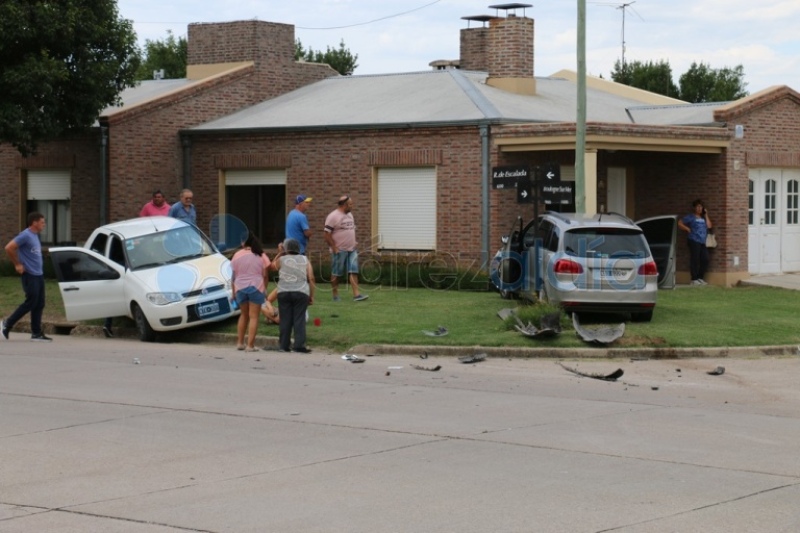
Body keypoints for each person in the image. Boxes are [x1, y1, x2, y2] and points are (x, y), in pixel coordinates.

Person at [2, 212, 52, 342]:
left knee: (39, 303)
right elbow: (9, 248)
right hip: (30, 275)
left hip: (38, 274)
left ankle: (36, 333)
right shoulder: (25, 235)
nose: (44, 224)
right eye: (42, 222)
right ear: (34, 223)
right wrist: (17, 264)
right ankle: (6, 324)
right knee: (31, 302)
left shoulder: (35, 235)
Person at [273, 238, 315, 353]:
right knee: (299, 319)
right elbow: (311, 277)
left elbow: (272, 267)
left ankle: (283, 345)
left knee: (285, 319)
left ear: (286, 249)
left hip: (283, 292)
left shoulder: (281, 259)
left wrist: (280, 253)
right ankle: (299, 345)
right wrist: (311, 295)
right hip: (301, 292)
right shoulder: (304, 259)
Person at [324, 195, 368, 302]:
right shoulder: (333, 216)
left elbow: (350, 229)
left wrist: (354, 241)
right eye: (350, 204)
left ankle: (356, 295)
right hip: (339, 250)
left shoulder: (350, 215)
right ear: (344, 205)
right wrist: (334, 248)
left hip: (352, 249)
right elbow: (326, 234)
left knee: (353, 270)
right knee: (337, 273)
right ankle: (335, 294)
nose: (352, 206)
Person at [231, 233, 268, 352]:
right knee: (254, 317)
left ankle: (240, 342)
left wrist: (233, 292)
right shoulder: (260, 255)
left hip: (240, 288)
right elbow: (266, 274)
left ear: (243, 243)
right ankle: (250, 345)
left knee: (243, 315)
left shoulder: (236, 255)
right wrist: (264, 288)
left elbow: (233, 276)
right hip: (256, 287)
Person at [678, 199, 713, 285]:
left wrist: (706, 214)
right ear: (694, 208)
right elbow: (680, 223)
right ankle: (694, 279)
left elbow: (709, 226)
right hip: (693, 240)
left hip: (702, 241)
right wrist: (687, 229)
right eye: (697, 207)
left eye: (701, 207)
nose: (699, 208)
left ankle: (700, 277)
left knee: (705, 259)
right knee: (695, 259)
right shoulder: (690, 217)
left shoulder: (703, 218)